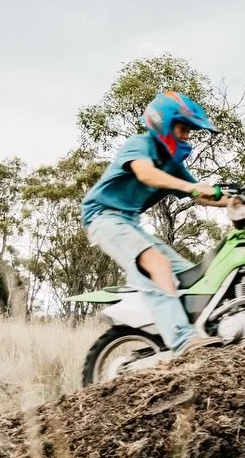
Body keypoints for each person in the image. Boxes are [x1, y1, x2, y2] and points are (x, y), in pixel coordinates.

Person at [81, 91, 235, 354]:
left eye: (190, 131)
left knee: (195, 277)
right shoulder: (139, 144)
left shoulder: (171, 164)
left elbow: (202, 195)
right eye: (183, 129)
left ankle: (197, 334)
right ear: (164, 124)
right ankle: (182, 340)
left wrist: (240, 202)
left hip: (130, 222)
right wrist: (194, 187)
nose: (187, 136)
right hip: (102, 217)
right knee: (156, 264)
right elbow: (146, 174)